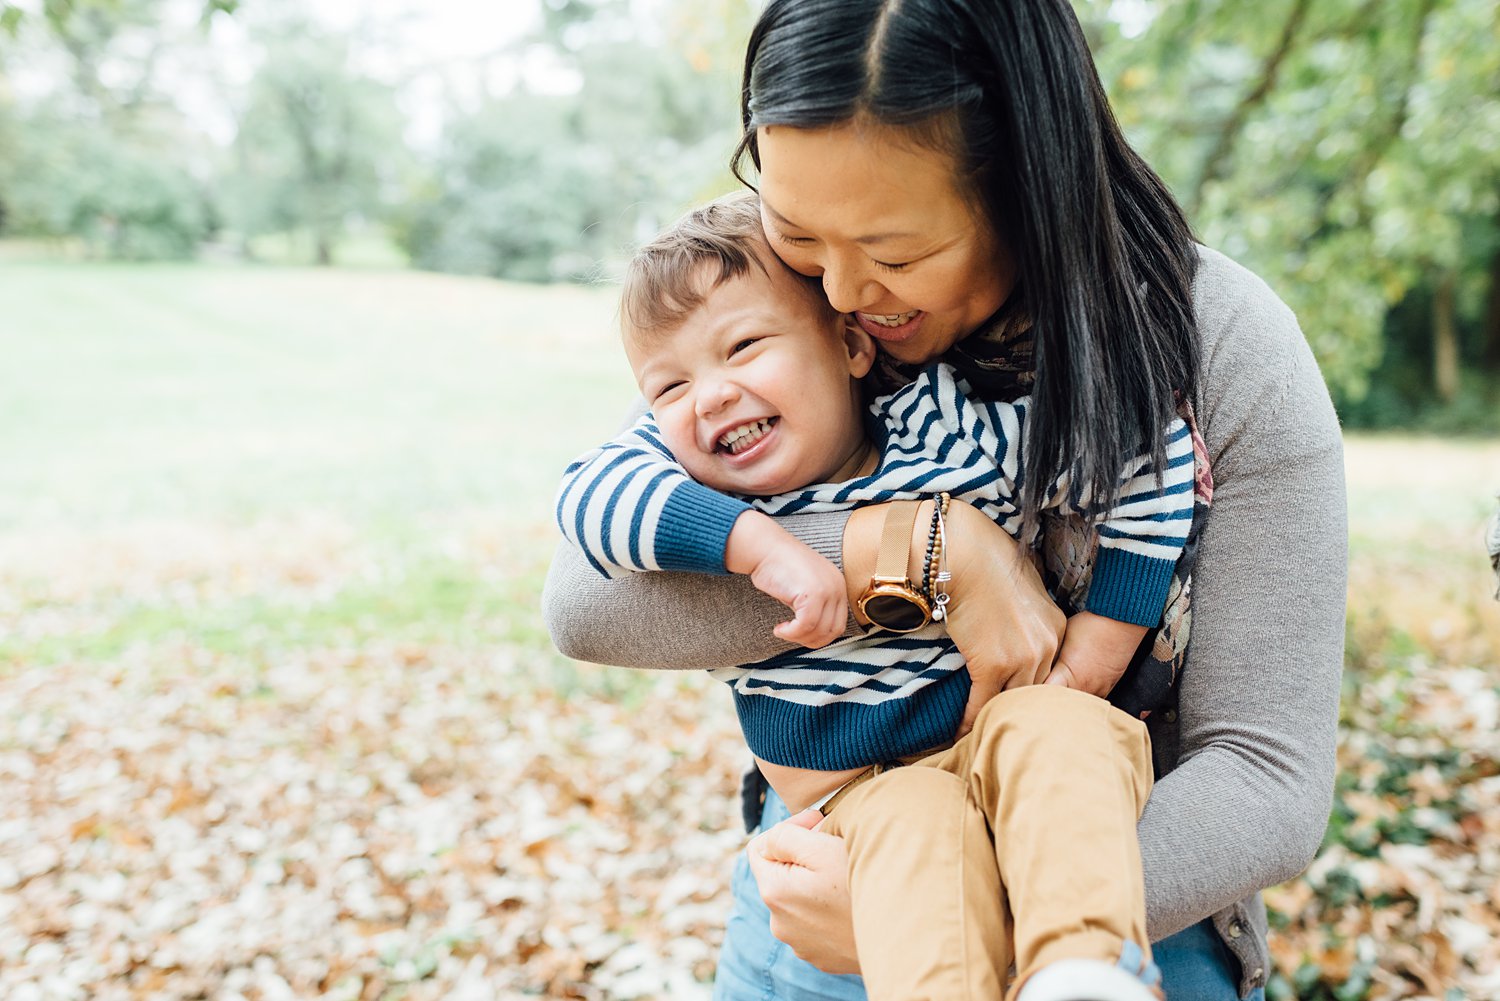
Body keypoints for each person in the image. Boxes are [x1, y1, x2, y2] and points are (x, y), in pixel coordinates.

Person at [542, 0, 1347, 998]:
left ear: (1026, 185)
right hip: (824, 885)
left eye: (891, 254)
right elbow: (590, 599)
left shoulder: (1215, 349)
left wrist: (954, 910)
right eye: (796, 232)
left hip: (1133, 907)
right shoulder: (775, 310)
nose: (838, 293)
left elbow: (1268, 773)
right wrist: (930, 546)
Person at [556, 192, 1196, 998]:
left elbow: (1140, 447)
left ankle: (1084, 969)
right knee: (914, 830)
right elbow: (585, 495)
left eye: (745, 346)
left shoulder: (946, 426)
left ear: (853, 343)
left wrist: (1098, 648)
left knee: (1062, 725)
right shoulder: (696, 485)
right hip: (858, 794)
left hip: (1001, 732)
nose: (710, 395)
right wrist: (760, 548)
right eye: (669, 388)